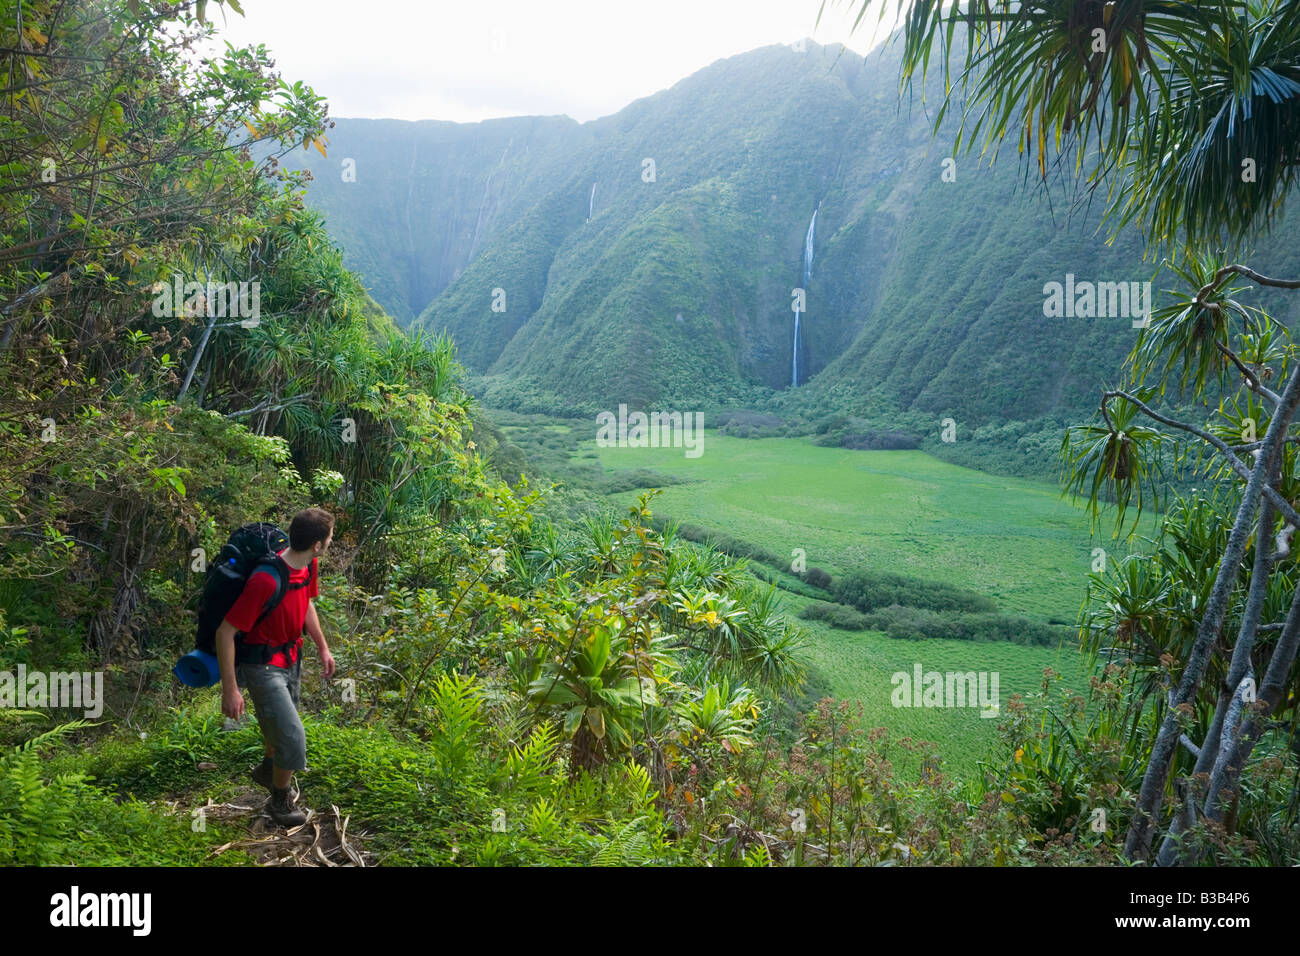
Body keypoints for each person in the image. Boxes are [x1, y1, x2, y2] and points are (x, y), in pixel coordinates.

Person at [216, 507, 337, 827]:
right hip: (263, 665)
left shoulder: (307, 568)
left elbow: (306, 603)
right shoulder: (265, 580)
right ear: (316, 545)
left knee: (280, 727)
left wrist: (323, 647)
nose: (330, 542)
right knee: (294, 737)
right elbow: (225, 632)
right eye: (329, 538)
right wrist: (230, 689)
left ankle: (268, 769)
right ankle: (279, 801)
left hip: (291, 658)